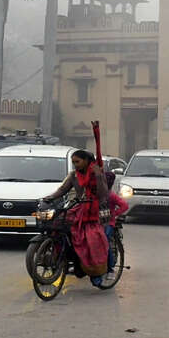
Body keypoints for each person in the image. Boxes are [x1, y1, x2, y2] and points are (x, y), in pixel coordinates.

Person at [44, 121, 110, 285]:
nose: (75, 165)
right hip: (79, 208)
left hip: (94, 212)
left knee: (92, 239)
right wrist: (49, 198)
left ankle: (96, 273)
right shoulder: (73, 175)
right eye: (73, 162)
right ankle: (61, 256)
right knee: (56, 224)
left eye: (78, 162)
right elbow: (62, 190)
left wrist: (100, 177)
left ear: (87, 161)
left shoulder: (96, 174)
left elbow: (103, 194)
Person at [104, 175, 128, 276]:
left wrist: (114, 214)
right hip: (96, 222)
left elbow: (125, 205)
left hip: (109, 222)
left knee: (104, 241)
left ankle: (110, 268)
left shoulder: (111, 195)